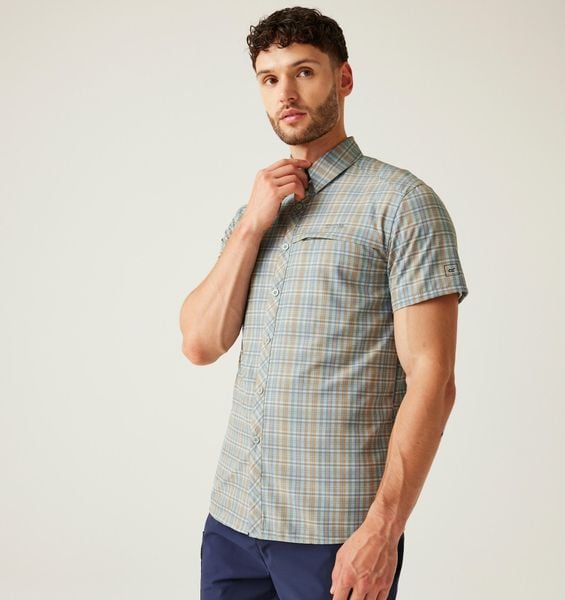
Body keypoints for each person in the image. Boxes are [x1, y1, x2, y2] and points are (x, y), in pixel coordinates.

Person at [179, 6, 469, 599]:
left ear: (344, 78)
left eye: (304, 71)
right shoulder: (257, 212)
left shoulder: (401, 203)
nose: (285, 93)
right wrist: (251, 226)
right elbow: (200, 344)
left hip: (335, 535)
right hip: (233, 522)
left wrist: (383, 531)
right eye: (269, 78)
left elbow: (433, 379)